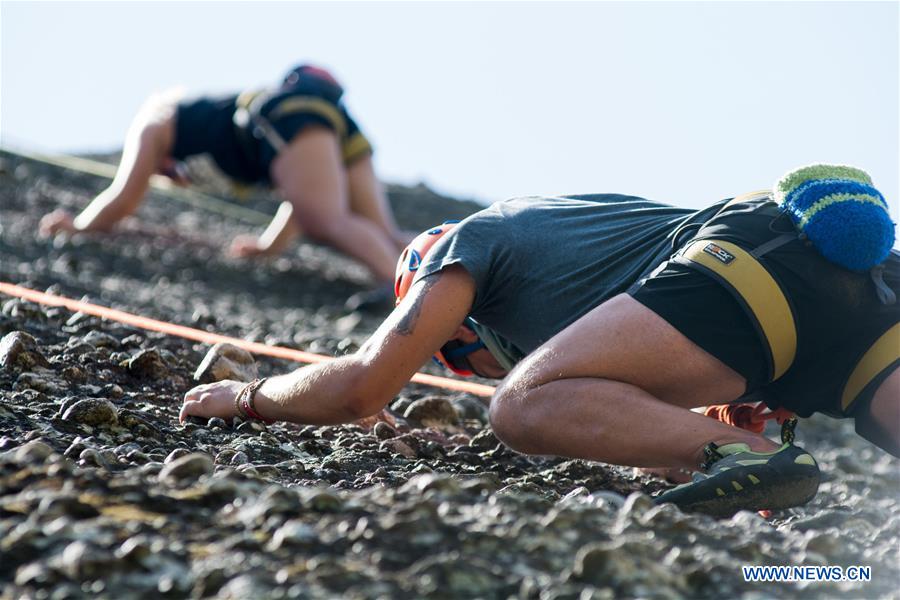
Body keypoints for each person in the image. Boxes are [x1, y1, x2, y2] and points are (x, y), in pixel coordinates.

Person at [180, 164, 899, 516]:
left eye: (450, 351)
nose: (470, 365)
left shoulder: (463, 245)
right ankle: (756, 459)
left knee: (522, 405)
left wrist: (246, 396)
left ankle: (750, 454)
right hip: (854, 290)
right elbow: (644, 422)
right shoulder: (572, 235)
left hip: (753, 260)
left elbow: (364, 385)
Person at [39, 64, 409, 310]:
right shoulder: (205, 122)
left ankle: (404, 294)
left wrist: (80, 225)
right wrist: (268, 247)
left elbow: (124, 197)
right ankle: (432, 279)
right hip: (320, 118)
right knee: (383, 231)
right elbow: (301, 197)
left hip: (290, 116)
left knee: (328, 221)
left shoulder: (153, 123)